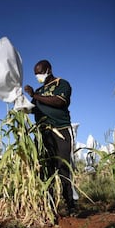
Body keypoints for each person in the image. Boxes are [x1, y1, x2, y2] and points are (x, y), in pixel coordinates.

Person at [24, 59, 76, 216]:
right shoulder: (39, 91)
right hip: (43, 135)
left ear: (49, 69)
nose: (38, 76)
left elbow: (59, 102)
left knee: (63, 168)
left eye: (40, 72)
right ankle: (50, 207)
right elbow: (33, 109)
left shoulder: (62, 84)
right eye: (36, 74)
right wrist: (21, 105)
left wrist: (35, 95)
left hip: (60, 131)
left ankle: (70, 206)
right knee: (46, 170)